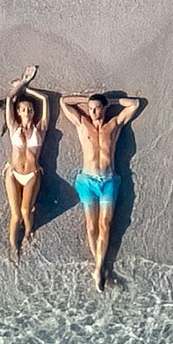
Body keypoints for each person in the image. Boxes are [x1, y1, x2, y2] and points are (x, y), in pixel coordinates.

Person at [61, 90, 143, 294]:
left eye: (97, 108)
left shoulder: (113, 125)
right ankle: (100, 264)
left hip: (108, 181)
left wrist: (111, 101)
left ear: (104, 108)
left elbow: (134, 104)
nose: (94, 111)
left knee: (105, 225)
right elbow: (64, 101)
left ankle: (99, 268)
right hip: (87, 181)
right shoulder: (82, 124)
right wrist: (86, 98)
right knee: (91, 227)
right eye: (91, 109)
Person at [0, 80, 52, 261]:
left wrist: (29, 89)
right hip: (13, 173)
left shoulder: (41, 128)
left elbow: (46, 100)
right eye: (23, 109)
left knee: (25, 211)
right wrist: (22, 83)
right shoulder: (13, 127)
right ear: (18, 112)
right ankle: (13, 247)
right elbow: (9, 99)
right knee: (15, 214)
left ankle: (28, 233)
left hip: (32, 174)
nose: (28, 112)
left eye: (30, 109)